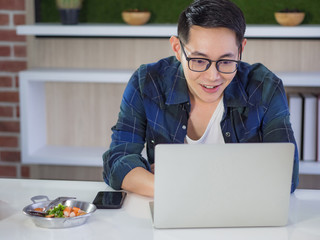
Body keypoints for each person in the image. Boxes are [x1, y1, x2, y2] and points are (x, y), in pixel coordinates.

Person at [103, 0, 299, 197]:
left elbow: (285, 174)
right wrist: (175, 188)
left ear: (241, 50)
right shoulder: (147, 82)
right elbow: (118, 160)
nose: (212, 76)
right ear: (177, 49)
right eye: (198, 60)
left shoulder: (265, 87)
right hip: (175, 209)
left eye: (226, 61)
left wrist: (179, 176)